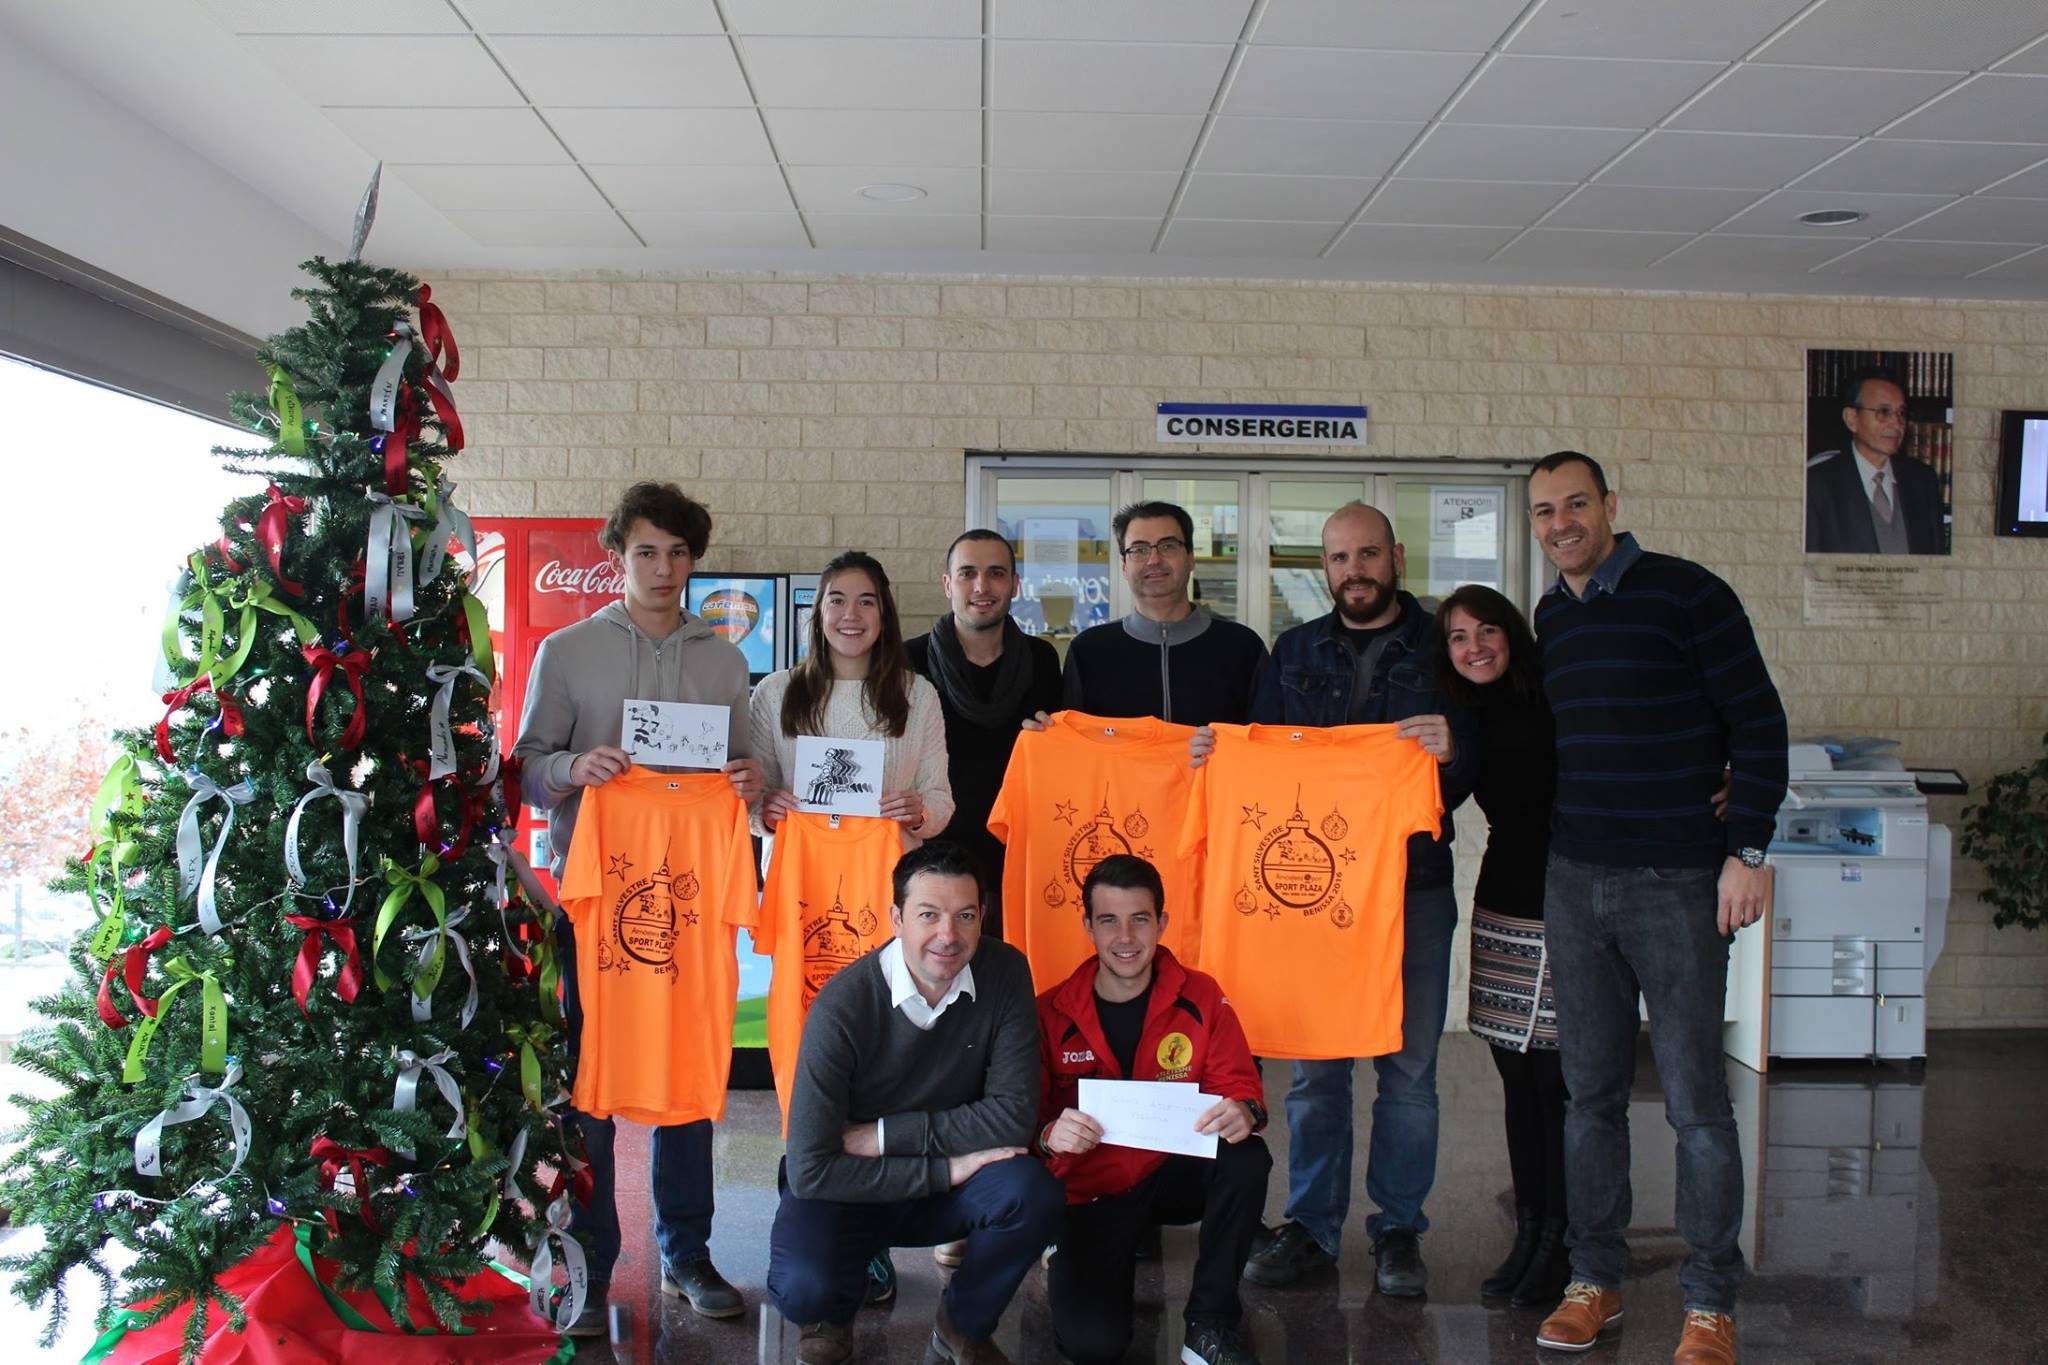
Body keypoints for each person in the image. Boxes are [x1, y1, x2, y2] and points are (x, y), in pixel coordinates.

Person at [1524, 450, 1786, 1365]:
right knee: (1590, 1097)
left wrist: (1747, 850)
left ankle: (1710, 1303)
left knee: (1696, 1104)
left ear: (1610, 505)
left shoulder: (1688, 593)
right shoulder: (1552, 615)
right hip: (1575, 879)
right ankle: (1594, 1281)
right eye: (1544, 510)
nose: (1561, 523)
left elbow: (1759, 721)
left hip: (1677, 881)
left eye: (1576, 504)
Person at [512, 481, 764, 1332]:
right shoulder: (568, 651)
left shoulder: (724, 663)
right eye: (646, 551)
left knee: (688, 1081)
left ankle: (686, 1251)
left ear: (694, 561)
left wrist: (745, 780)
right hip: (594, 904)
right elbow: (526, 768)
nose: (663, 568)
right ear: (617, 555)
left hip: (686, 908)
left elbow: (739, 774)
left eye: (678, 552)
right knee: (591, 1089)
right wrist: (571, 769)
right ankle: (591, 1260)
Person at [1227, 501, 1474, 1298]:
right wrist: (1214, 754)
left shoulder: (1442, 647)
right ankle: (1311, 1224)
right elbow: (1262, 758)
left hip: (1413, 888)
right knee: (1316, 1075)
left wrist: (1453, 753)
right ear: (1324, 567)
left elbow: (1470, 764)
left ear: (1395, 556)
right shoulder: (1294, 650)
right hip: (1318, 897)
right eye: (1339, 558)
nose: (1354, 571)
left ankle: (1399, 1229)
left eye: (1368, 554)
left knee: (1410, 1073)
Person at [766, 840, 1063, 1365]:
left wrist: (882, 1136)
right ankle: (832, 1314)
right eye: (928, 915)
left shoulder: (1004, 972)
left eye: (964, 916)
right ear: (897, 919)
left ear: (982, 918)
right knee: (803, 1289)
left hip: (936, 1180)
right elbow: (811, 1169)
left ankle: (963, 1324)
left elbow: (1013, 1117)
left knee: (1029, 1191)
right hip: (853, 1188)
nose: (948, 935)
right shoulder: (843, 1006)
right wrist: (944, 1168)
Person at [1037, 855, 1271, 1365]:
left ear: (1162, 923)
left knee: (1245, 1156)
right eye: (1109, 920)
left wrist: (1243, 1109)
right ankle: (1064, 1248)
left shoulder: (1201, 994)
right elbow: (1024, 1118)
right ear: (1087, 926)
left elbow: (1238, 1083)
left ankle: (1209, 1326)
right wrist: (1048, 1133)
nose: (1125, 937)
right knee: (1093, 1346)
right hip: (1093, 1192)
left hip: (1172, 1174)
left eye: (1139, 919)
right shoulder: (1050, 1011)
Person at [1429, 585, 1570, 1309]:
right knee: (1514, 1075)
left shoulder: (1550, 695)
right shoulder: (1464, 711)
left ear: (1511, 633)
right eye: (1458, 637)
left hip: (1565, 902)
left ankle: (1562, 1241)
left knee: (1554, 1081)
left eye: (1487, 630)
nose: (1474, 646)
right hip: (1504, 898)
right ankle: (1531, 1231)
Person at [907, 529, 1063, 941]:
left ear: (1015, 584)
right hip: (931, 863)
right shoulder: (907, 662)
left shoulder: (1042, 661)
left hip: (1018, 860)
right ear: (947, 584)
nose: (982, 586)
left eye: (996, 573)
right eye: (968, 573)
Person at [750, 549, 954, 847]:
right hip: (798, 867)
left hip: (889, 868)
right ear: (818, 613)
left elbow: (939, 799)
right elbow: (751, 799)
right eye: (837, 600)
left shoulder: (918, 695)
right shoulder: (774, 692)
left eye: (866, 602)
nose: (851, 614)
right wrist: (767, 813)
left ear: (884, 617)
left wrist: (920, 813)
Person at [1059, 500, 1267, 726]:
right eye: (1139, 550)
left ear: (1190, 557)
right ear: (1124, 565)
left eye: (1168, 546)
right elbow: (1070, 738)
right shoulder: (1088, 651)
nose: (1154, 560)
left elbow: (1267, 738)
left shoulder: (1243, 647)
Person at [1805, 366, 1944, 554]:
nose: (1896, 423)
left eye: (1901, 413)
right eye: (1884, 412)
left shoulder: (1923, 481)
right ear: (1852, 419)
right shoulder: (1817, 485)